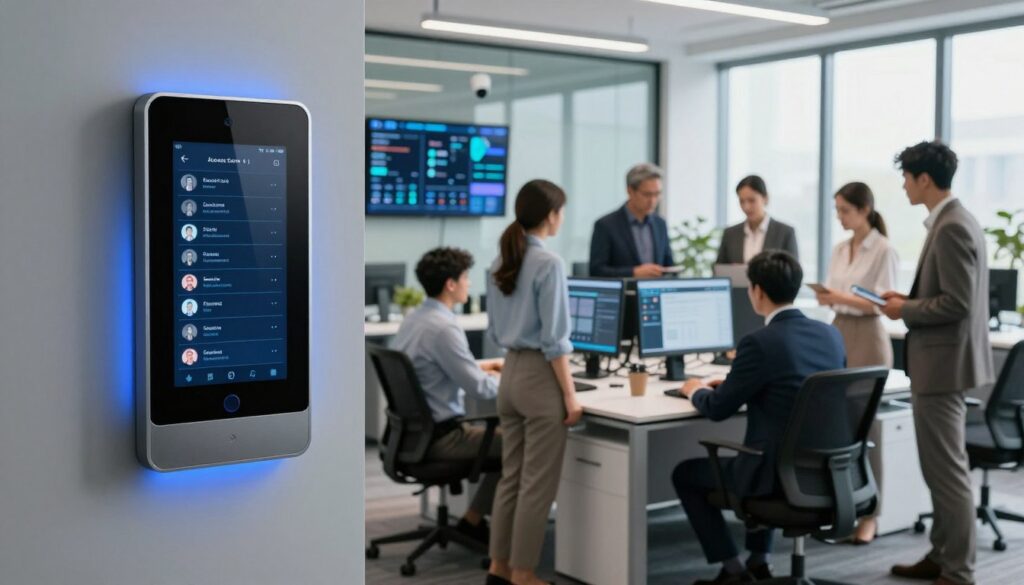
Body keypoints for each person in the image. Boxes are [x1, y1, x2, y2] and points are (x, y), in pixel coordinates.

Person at [671, 251, 846, 585]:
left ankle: (733, 569)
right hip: (825, 471)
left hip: (775, 478)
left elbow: (718, 409)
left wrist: (694, 390)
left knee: (685, 473)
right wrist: (740, 384)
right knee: (765, 448)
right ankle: (758, 561)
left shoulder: (759, 343)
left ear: (758, 292)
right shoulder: (830, 334)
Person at [881, 141, 993, 585]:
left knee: (947, 473)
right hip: (943, 363)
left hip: (943, 367)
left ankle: (959, 570)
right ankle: (942, 554)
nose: (904, 186)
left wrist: (903, 311)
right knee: (941, 467)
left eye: (906, 177)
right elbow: (949, 295)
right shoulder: (953, 220)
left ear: (923, 178)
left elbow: (957, 304)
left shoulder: (951, 226)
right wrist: (908, 300)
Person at [485, 180, 581, 585]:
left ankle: (499, 568)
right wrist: (571, 395)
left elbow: (495, 328)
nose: (562, 218)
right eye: (561, 211)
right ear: (549, 216)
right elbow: (555, 341)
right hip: (540, 379)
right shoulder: (549, 264)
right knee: (537, 487)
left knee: (511, 479)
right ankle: (524, 573)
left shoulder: (499, 262)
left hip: (509, 375)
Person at [391, 247, 503, 543]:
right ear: (450, 284)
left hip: (412, 436)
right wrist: (517, 382)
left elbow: (442, 368)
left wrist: (481, 368)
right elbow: (479, 388)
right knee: (521, 440)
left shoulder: (416, 319)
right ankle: (478, 521)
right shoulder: (444, 329)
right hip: (444, 438)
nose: (470, 284)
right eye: (466, 277)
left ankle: (473, 519)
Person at [815, 181, 899, 545]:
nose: (839, 216)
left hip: (868, 336)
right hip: (839, 332)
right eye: (836, 210)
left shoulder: (883, 249)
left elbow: (882, 303)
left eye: (844, 210)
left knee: (867, 430)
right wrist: (830, 298)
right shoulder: (838, 248)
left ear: (864, 209)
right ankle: (841, 507)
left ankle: (871, 515)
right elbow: (838, 295)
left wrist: (839, 296)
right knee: (836, 427)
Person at [589, 163, 675, 277]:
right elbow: (596, 271)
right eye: (647, 194)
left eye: (657, 194)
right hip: (623, 294)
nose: (653, 201)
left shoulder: (660, 223)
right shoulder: (606, 225)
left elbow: (668, 263)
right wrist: (633, 272)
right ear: (630, 191)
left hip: (654, 293)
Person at [716, 175, 798, 265]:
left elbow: (793, 273)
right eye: (741, 201)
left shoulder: (785, 233)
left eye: (751, 200)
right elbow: (719, 270)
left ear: (765, 199)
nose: (746, 207)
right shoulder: (730, 234)